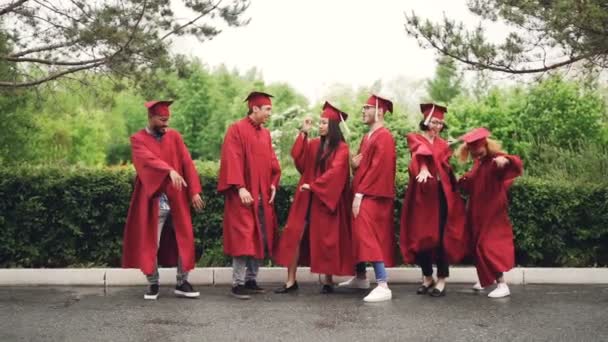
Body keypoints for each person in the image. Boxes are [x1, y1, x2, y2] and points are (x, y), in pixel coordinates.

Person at [122, 100, 205, 300]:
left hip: (177, 199)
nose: (166, 124)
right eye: (161, 120)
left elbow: (187, 162)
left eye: (167, 119)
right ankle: (153, 283)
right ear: (150, 118)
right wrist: (169, 170)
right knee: (151, 242)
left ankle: (182, 282)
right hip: (153, 201)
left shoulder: (174, 137)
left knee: (184, 240)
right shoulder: (138, 139)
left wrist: (194, 191)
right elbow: (146, 160)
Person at [274, 102, 354, 294]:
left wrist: (316, 185)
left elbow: (337, 172)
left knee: (326, 239)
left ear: (333, 125)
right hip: (306, 198)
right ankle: (291, 281)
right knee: (295, 235)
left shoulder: (342, 148)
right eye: (320, 122)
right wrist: (303, 133)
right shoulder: (314, 144)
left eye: (324, 122)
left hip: (325, 200)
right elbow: (299, 159)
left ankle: (328, 280)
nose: (320, 125)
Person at [218, 91, 281, 300]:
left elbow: (273, 163)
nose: (270, 113)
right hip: (243, 196)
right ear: (255, 109)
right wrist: (239, 187)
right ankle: (237, 283)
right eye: (267, 109)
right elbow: (232, 159)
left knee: (260, 237)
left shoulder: (265, 133)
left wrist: (273, 184)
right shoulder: (236, 130)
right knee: (243, 238)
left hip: (262, 195)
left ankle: (251, 280)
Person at [399, 104, 466, 297]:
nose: (437, 125)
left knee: (441, 237)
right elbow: (418, 152)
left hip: (440, 195)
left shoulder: (444, 144)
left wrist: (449, 151)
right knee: (422, 237)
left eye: (440, 122)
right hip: (421, 196)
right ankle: (427, 276)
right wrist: (423, 167)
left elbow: (446, 168)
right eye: (434, 121)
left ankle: (442, 279)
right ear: (426, 121)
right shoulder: (415, 137)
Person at [338, 94, 397, 303]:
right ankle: (361, 277)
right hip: (362, 192)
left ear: (379, 111)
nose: (363, 111)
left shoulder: (384, 137)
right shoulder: (367, 137)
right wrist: (354, 165)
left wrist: (360, 194)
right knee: (359, 235)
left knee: (369, 236)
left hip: (372, 196)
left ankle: (383, 284)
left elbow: (378, 169)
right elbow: (363, 167)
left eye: (367, 108)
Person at [456, 127, 523, 298]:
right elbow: (472, 183)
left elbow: (514, 162)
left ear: (486, 145)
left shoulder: (495, 160)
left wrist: (505, 160)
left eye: (478, 151)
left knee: (487, 246)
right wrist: (461, 180)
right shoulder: (479, 162)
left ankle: (502, 284)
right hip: (478, 212)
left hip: (493, 212)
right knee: (477, 246)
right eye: (472, 152)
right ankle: (486, 279)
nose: (476, 155)